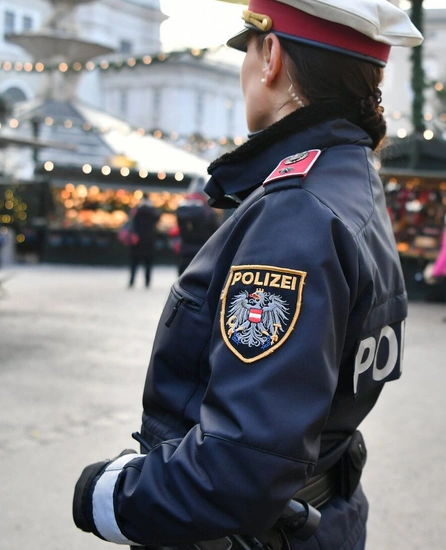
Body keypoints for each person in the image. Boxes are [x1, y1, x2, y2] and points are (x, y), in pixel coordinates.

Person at [72, 2, 422, 549]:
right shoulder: (349, 181)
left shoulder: (296, 213)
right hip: (323, 512)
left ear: (272, 58)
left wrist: (110, 495)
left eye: (247, 50)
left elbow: (238, 467)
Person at [173, 191, 221, 275]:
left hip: (185, 249)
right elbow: (216, 230)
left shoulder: (181, 211)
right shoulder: (207, 212)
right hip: (203, 250)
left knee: (182, 277)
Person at [128, 196, 160, 289]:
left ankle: (131, 281)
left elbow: (132, 223)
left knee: (134, 263)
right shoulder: (153, 212)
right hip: (149, 241)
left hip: (137, 241)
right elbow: (158, 218)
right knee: (148, 264)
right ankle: (147, 282)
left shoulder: (136, 211)